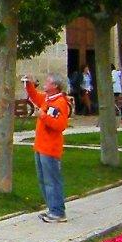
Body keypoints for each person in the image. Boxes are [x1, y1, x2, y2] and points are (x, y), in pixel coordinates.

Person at [24, 72, 71, 222]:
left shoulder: (60, 103)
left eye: (48, 82)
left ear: (55, 86)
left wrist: (43, 116)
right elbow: (34, 96)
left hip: (50, 148)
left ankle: (58, 212)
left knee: (52, 180)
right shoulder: (47, 99)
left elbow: (60, 125)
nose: (45, 83)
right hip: (40, 146)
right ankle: (52, 208)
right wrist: (28, 83)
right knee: (43, 180)